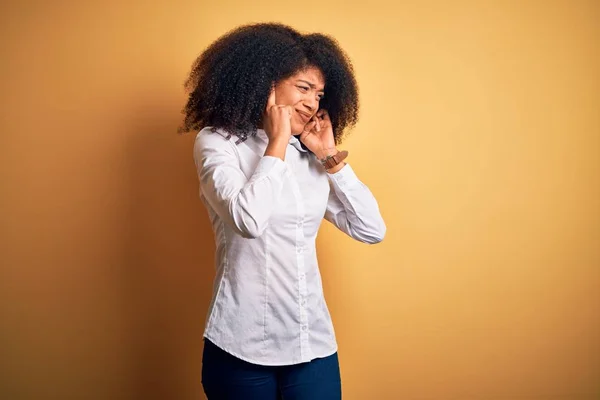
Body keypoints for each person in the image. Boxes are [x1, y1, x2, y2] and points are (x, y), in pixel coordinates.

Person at [179, 22, 386, 400]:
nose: (312, 103)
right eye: (303, 88)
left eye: (319, 93)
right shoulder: (217, 144)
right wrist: (277, 141)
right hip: (240, 344)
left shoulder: (309, 155)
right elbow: (248, 220)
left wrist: (329, 157)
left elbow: (371, 229)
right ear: (264, 82)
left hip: (311, 343)